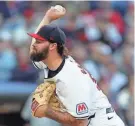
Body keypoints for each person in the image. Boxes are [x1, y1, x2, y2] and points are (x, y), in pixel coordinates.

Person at [27, 5, 125, 126]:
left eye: (40, 42)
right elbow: (33, 51)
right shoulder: (50, 61)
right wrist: (48, 17)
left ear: (53, 46)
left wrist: (47, 111)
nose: (35, 45)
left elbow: (80, 122)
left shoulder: (72, 77)